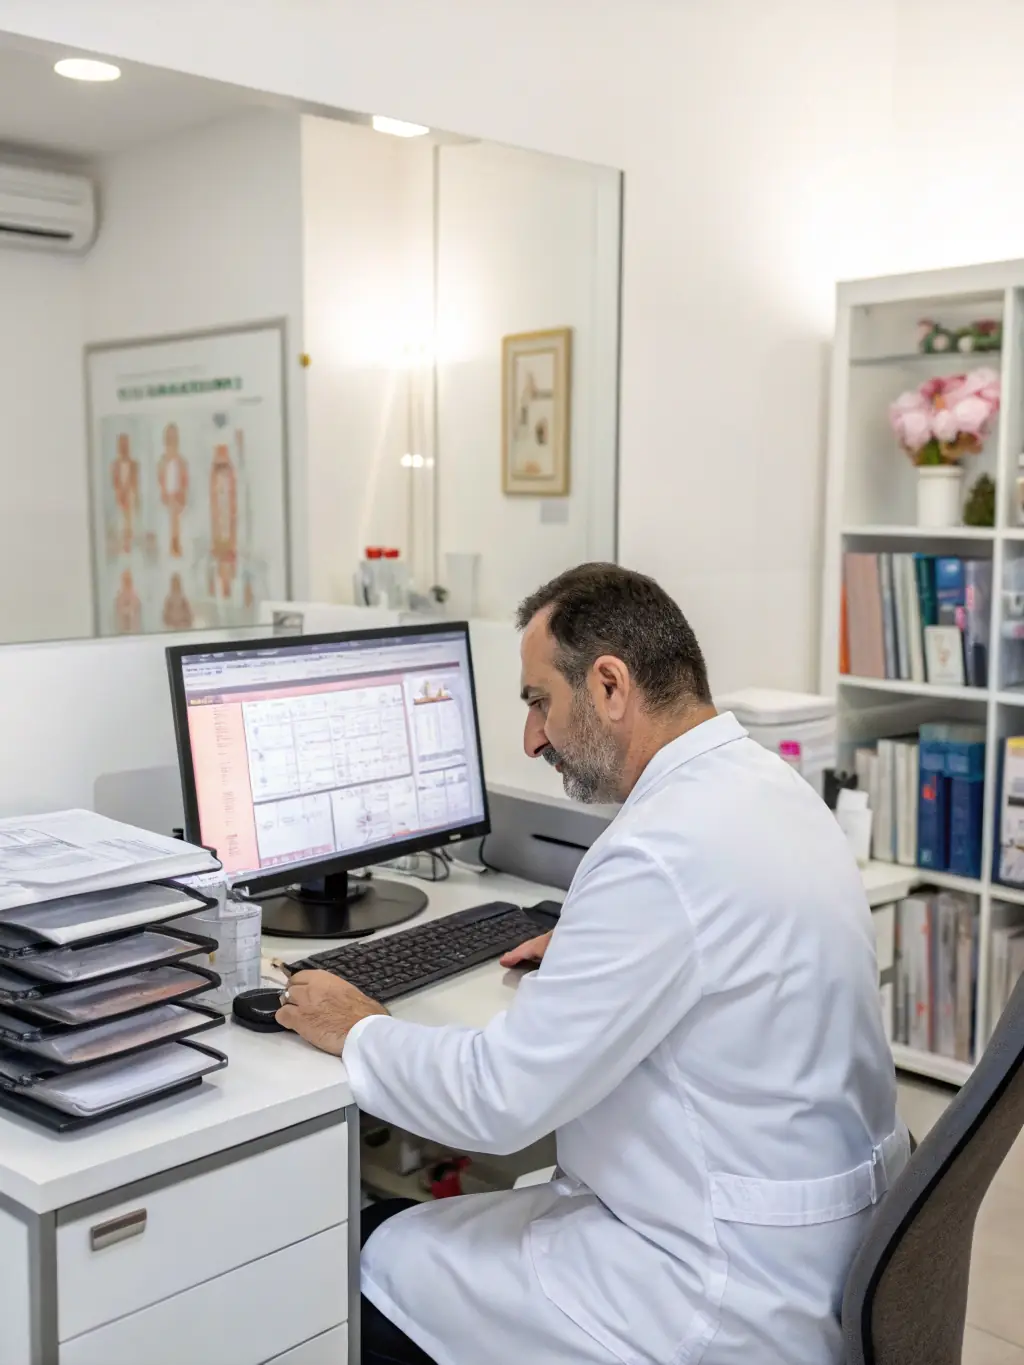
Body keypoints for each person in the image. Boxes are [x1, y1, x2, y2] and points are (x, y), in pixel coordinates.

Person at [277, 563, 907, 1365]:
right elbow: (711, 942)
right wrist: (595, 947)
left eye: (538, 700)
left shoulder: (656, 852)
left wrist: (358, 1028)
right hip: (817, 1255)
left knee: (367, 1262)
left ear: (610, 684)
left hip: (714, 1292)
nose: (531, 737)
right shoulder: (766, 787)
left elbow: (498, 1100)